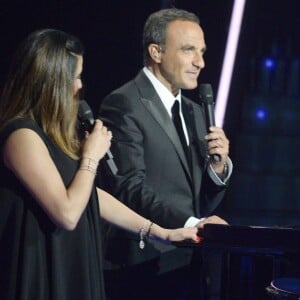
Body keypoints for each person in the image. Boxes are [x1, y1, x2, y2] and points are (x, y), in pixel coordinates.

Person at [0, 28, 201, 300]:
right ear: (52, 81)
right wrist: (91, 157)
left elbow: (91, 198)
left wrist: (161, 233)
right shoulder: (21, 136)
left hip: (72, 263)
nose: (80, 86)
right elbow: (67, 212)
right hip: (41, 269)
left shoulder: (55, 136)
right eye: (75, 77)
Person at [98, 8, 232, 300]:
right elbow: (129, 187)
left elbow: (200, 199)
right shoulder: (124, 103)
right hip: (142, 265)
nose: (200, 62)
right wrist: (189, 225)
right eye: (188, 50)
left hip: (190, 262)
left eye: (202, 51)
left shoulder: (196, 112)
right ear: (156, 52)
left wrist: (217, 169)